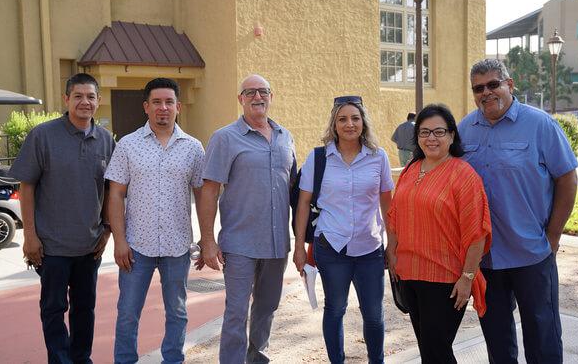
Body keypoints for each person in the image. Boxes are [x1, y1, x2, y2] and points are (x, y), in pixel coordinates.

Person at [458, 59, 578, 363]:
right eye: (478, 88)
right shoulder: (464, 130)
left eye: (493, 84)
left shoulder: (540, 125)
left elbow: (567, 178)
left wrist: (552, 237)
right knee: (498, 342)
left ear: (509, 85)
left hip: (531, 253)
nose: (486, 92)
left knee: (543, 337)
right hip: (485, 258)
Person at [10, 73, 115, 363]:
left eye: (91, 96)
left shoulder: (106, 140)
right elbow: (26, 186)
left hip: (89, 247)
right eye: (78, 96)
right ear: (66, 99)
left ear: (98, 101)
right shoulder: (43, 136)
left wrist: (106, 232)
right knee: (53, 310)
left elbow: (110, 190)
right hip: (51, 248)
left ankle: (82, 359)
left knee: (85, 310)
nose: (85, 102)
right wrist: (29, 236)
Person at [105, 78, 205, 364]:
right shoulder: (127, 145)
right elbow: (115, 195)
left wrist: (206, 239)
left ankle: (173, 360)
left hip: (177, 247)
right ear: (146, 107)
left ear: (178, 107)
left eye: (169, 102)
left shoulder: (193, 148)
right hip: (136, 247)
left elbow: (203, 196)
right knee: (127, 312)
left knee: (177, 312)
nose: (163, 108)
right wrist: (119, 241)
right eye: (157, 102)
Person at [198, 74, 294, 364]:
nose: (257, 97)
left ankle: (257, 357)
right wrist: (207, 240)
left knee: (267, 308)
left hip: (277, 243)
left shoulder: (285, 136)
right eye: (250, 92)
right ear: (240, 99)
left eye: (263, 91)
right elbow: (210, 190)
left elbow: (292, 187)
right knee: (237, 312)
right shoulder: (224, 137)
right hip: (240, 243)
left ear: (271, 96)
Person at [386, 104, 492, 363]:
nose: (431, 138)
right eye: (424, 132)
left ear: (452, 136)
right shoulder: (412, 169)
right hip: (410, 274)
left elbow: (477, 232)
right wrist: (393, 256)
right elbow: (397, 216)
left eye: (439, 132)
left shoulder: (464, 176)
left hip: (445, 279)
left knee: (437, 351)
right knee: (428, 349)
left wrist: (467, 277)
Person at [293, 95, 394, 364]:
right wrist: (299, 248)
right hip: (332, 247)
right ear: (334, 125)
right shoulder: (319, 157)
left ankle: (377, 361)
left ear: (363, 122)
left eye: (355, 118)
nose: (349, 124)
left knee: (373, 314)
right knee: (335, 309)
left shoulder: (378, 156)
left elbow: (387, 203)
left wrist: (392, 244)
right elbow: (303, 203)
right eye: (342, 119)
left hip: (369, 248)